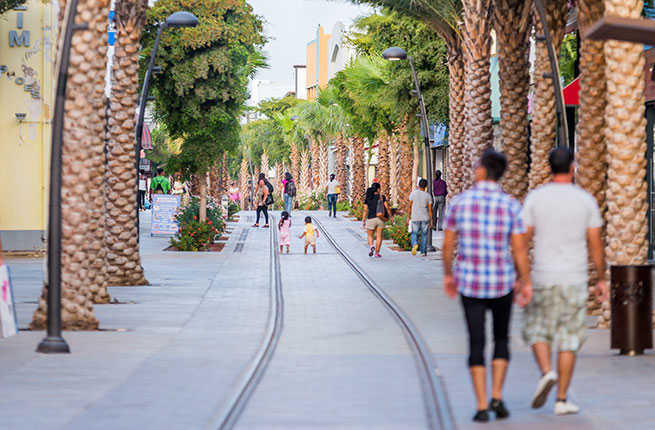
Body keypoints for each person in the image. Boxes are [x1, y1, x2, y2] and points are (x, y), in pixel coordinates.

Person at [442, 148, 532, 423]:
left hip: (470, 283)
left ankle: (481, 404)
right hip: (502, 282)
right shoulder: (511, 205)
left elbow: (447, 245)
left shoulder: (459, 202)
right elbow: (519, 250)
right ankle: (496, 396)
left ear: (481, 170)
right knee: (501, 338)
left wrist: (448, 275)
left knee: (476, 341)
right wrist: (525, 280)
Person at [521, 148, 608, 416]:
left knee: (537, 331)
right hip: (575, 278)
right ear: (572, 168)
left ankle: (547, 372)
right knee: (569, 340)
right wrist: (602, 277)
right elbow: (595, 244)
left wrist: (522, 278)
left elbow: (522, 241)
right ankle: (561, 399)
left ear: (549, 168)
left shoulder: (536, 199)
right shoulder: (585, 200)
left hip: (543, 276)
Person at [362, 182, 391, 258]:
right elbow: (387, 207)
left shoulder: (368, 198)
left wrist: (363, 221)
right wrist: (390, 217)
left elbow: (365, 210)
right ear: (378, 189)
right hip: (380, 218)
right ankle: (377, 253)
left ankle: (371, 246)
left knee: (370, 235)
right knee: (379, 236)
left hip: (371, 219)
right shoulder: (382, 197)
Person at [408, 178, 433, 256]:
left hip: (415, 217)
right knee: (424, 235)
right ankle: (423, 252)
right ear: (426, 186)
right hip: (425, 218)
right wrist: (431, 220)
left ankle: (414, 244)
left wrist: (408, 216)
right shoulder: (428, 196)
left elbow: (409, 206)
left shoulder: (413, 194)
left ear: (418, 185)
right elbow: (430, 210)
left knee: (414, 233)